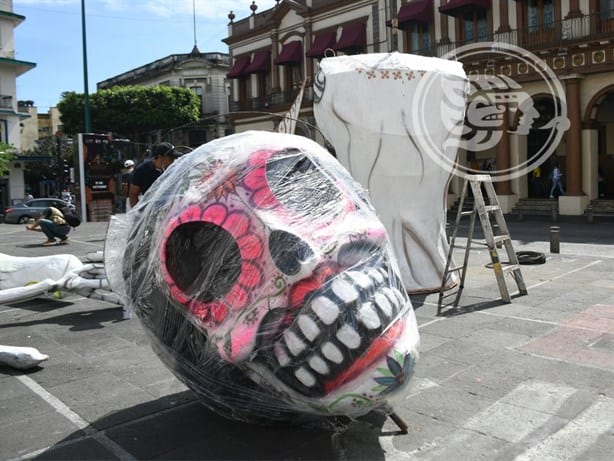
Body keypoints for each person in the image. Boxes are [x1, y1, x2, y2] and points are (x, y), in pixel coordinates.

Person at [128, 143, 183, 207]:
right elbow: (133, 194)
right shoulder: (142, 170)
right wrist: (139, 214)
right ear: (160, 157)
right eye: (171, 159)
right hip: (150, 209)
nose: (173, 161)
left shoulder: (174, 169)